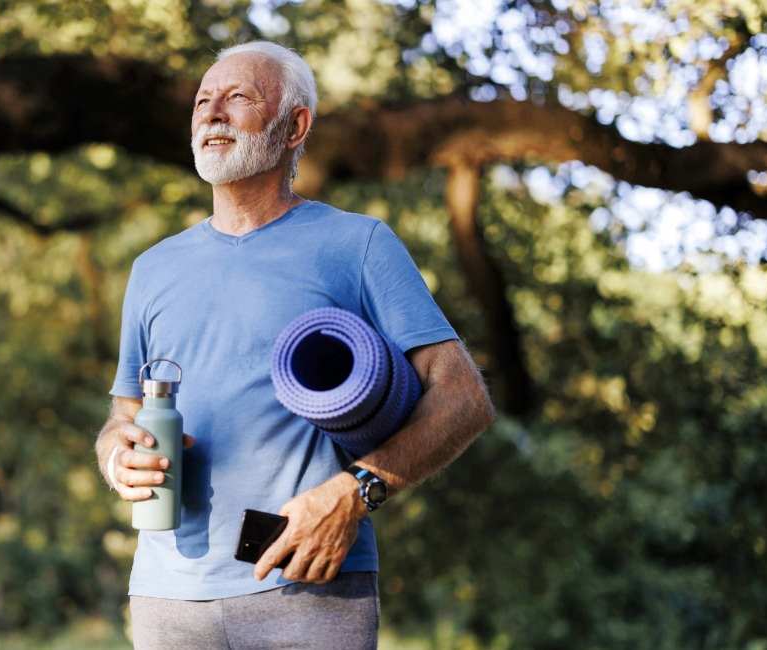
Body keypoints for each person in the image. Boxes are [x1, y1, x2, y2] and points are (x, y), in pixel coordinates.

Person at [93, 40, 495, 649]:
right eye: (203, 101)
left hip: (309, 590)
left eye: (238, 98)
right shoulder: (153, 268)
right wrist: (115, 455)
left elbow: (465, 398)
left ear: (294, 125)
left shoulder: (357, 245)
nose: (211, 113)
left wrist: (357, 491)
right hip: (166, 598)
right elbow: (123, 416)